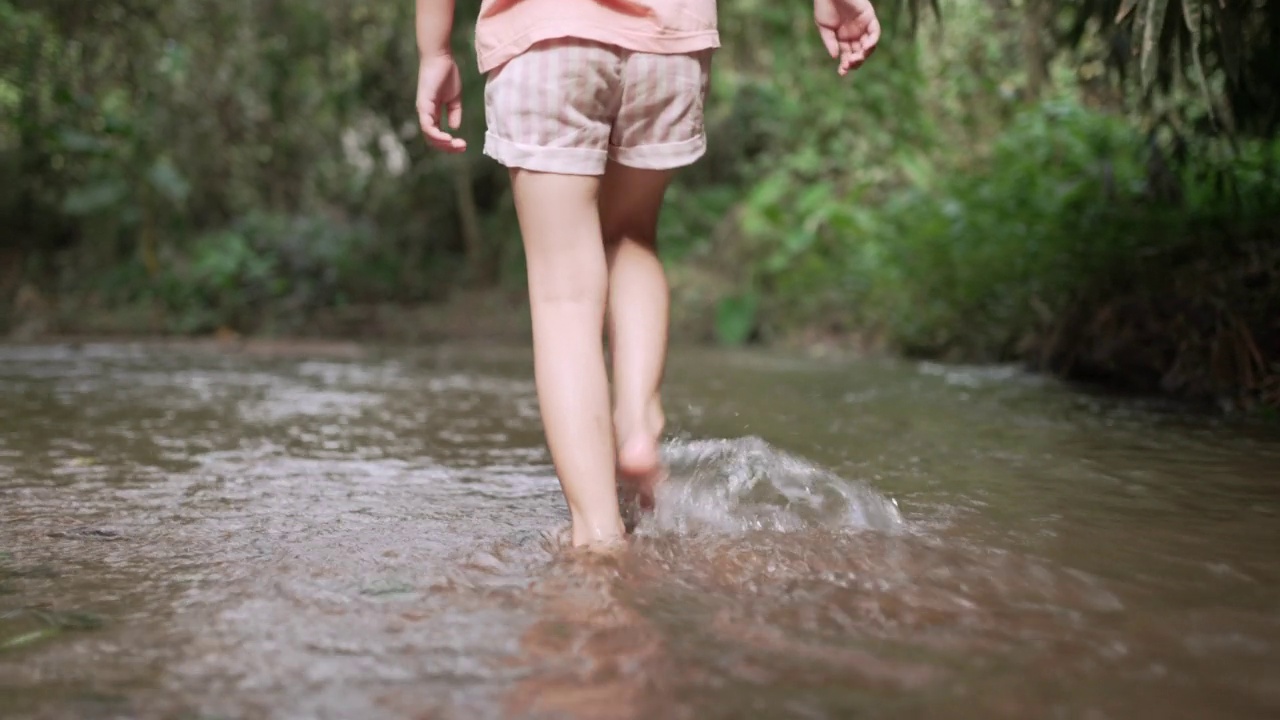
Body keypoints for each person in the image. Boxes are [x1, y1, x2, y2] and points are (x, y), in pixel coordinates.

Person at [415, 0, 881, 549]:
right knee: (632, 233)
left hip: (545, 38)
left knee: (564, 294)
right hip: (668, 47)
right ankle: (636, 423)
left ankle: (597, 533)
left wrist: (435, 50)